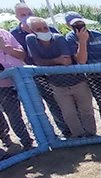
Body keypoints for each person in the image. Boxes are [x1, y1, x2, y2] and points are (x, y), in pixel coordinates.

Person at [26, 16, 96, 138]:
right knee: (68, 114)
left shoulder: (58, 38)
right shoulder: (30, 40)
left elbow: (67, 61)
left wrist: (48, 62)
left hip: (77, 81)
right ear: (32, 31)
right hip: (57, 85)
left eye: (45, 28)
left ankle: (91, 135)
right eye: (39, 29)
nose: (43, 31)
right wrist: (56, 60)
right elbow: (37, 61)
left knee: (86, 110)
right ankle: (79, 137)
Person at [11, 3, 70, 138]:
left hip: (55, 73)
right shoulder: (14, 34)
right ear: (17, 17)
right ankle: (44, 135)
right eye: (23, 15)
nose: (27, 17)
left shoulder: (50, 30)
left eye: (29, 13)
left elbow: (64, 53)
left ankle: (66, 130)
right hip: (30, 76)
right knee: (35, 107)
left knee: (56, 102)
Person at [64, 11, 101, 136]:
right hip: (93, 77)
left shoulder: (99, 35)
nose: (79, 27)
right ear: (69, 26)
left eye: (81, 23)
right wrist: (82, 41)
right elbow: (81, 61)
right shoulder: (70, 38)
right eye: (75, 25)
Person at [0, 27, 33, 150]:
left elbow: (21, 54)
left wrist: (5, 48)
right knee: (12, 115)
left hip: (21, 80)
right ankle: (12, 142)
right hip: (2, 85)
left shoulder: (5, 33)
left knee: (33, 109)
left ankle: (32, 140)